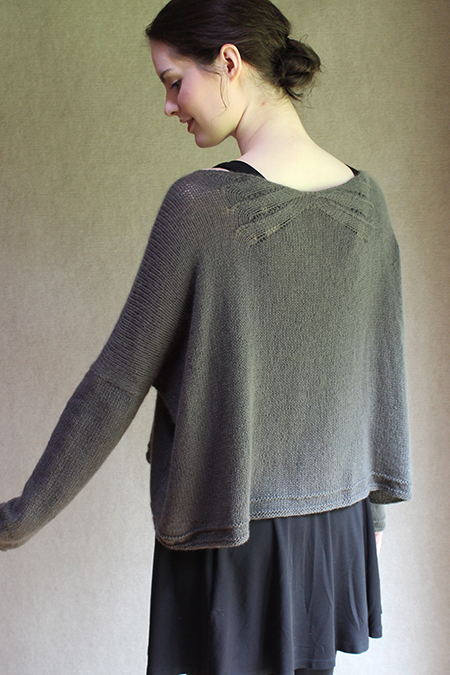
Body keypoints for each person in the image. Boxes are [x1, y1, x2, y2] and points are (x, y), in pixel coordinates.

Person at [0, 0, 412, 673]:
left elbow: (116, 382)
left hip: (232, 533)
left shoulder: (202, 205)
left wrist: (19, 518)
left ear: (228, 61)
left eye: (173, 81)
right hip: (338, 533)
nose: (169, 106)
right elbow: (376, 374)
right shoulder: (368, 205)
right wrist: (371, 519)